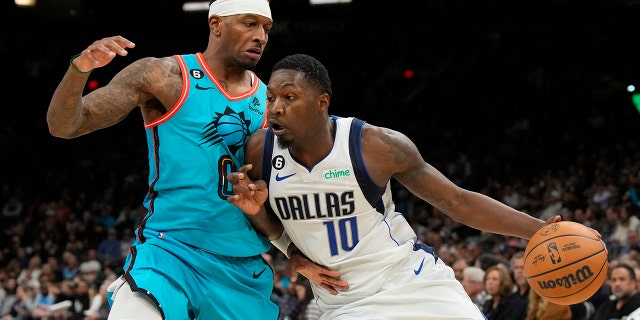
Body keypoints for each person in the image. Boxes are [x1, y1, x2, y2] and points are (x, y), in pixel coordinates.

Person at [226, 53, 573, 319]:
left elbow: (457, 202)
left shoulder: (374, 146)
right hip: (344, 301)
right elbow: (270, 224)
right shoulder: (260, 150)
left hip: (412, 280)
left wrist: (539, 230)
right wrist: (290, 252)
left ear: (322, 103)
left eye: (289, 97)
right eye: (271, 98)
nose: (276, 108)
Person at [45, 0, 281, 318]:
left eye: (265, 27)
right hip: (170, 252)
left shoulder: (271, 103)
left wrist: (295, 253)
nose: (260, 36)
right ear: (216, 24)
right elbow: (65, 125)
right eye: (249, 23)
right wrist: (80, 69)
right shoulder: (165, 75)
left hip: (240, 267)